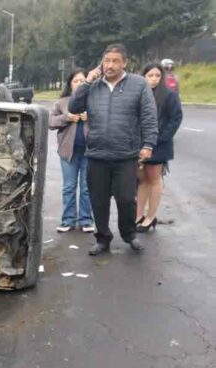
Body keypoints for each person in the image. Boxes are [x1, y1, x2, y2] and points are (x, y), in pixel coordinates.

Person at [68, 43, 158, 256]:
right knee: (98, 200)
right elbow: (74, 108)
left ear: (124, 63)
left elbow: (148, 116)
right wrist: (88, 81)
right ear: (102, 63)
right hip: (97, 154)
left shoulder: (138, 85)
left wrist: (148, 144)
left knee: (126, 198)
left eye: (115, 61)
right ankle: (102, 238)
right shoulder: (93, 86)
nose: (110, 65)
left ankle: (129, 235)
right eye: (107, 61)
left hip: (126, 155)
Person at [136, 63, 183, 232]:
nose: (154, 79)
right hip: (139, 144)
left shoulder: (169, 95)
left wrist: (161, 137)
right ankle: (138, 215)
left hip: (159, 144)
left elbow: (176, 118)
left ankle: (150, 217)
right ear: (143, 77)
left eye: (157, 75)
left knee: (154, 179)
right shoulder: (139, 93)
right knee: (142, 180)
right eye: (150, 75)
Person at [49, 68, 95, 233]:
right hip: (68, 152)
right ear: (70, 84)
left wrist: (91, 117)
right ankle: (68, 220)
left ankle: (86, 220)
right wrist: (66, 118)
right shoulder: (62, 102)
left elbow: (105, 121)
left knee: (86, 187)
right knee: (69, 186)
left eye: (83, 80)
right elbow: (50, 122)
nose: (79, 84)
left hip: (90, 152)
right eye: (76, 81)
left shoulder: (94, 100)